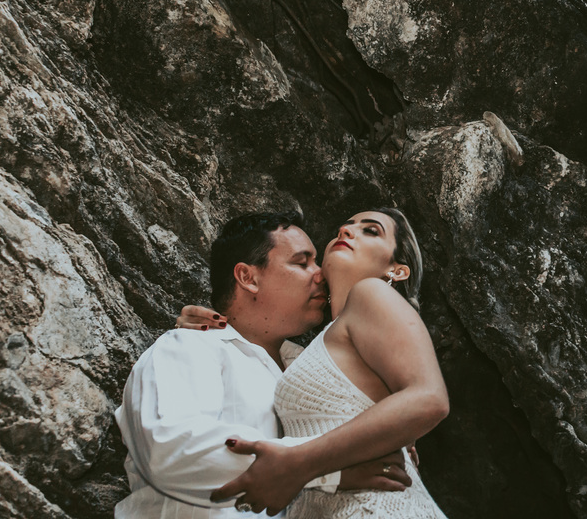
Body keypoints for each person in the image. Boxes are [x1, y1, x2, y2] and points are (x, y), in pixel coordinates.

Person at [114, 211, 413, 518]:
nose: (320, 273)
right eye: (301, 262)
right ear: (248, 278)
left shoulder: (311, 370)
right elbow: (171, 450)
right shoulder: (190, 346)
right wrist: (326, 469)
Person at [186, 209, 451, 518]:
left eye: (371, 231)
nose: (346, 231)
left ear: (397, 270)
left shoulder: (371, 292)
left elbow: (429, 399)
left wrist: (301, 463)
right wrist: (219, 325)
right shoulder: (305, 351)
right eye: (346, 225)